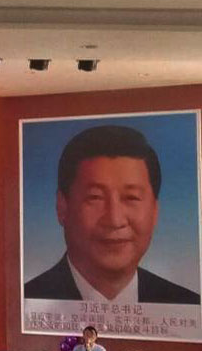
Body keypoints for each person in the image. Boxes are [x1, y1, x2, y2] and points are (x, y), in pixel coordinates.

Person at [24, 124, 200, 304]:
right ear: (62, 207)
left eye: (131, 197)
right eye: (95, 197)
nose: (115, 220)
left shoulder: (187, 304)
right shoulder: (24, 302)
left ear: (155, 211)